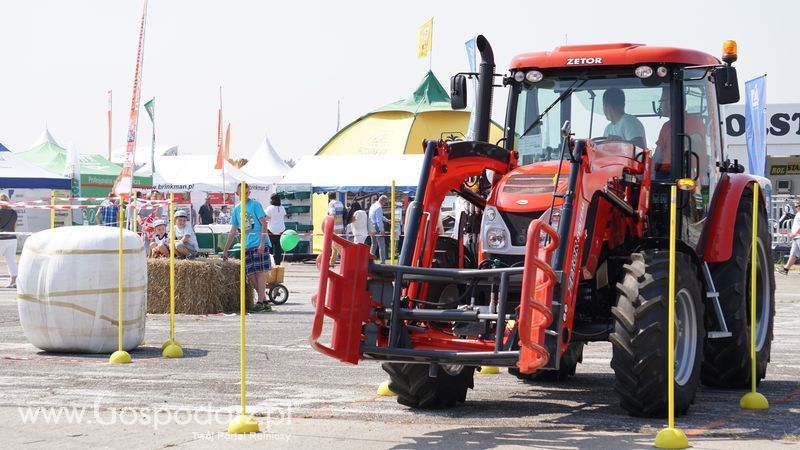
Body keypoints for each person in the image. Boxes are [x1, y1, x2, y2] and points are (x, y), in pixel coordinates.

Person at [223, 183, 272, 311]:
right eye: (242, 192)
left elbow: (264, 223)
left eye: (247, 192)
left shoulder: (255, 205)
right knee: (250, 274)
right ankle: (265, 301)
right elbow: (233, 230)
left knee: (260, 272)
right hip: (247, 245)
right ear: (237, 193)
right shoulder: (237, 209)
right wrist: (225, 249)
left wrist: (262, 243)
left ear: (249, 193)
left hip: (259, 243)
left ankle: (260, 302)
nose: (245, 194)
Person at [653, 87, 707, 179]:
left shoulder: (694, 121)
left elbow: (695, 145)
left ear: (670, 102)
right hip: (665, 173)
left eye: (661, 101)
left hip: (687, 175)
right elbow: (657, 155)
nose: (661, 105)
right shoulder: (666, 126)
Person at [0, 194, 18, 288]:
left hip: (1, 239)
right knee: (11, 261)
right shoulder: (14, 213)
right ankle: (13, 282)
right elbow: (14, 227)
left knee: (11, 261)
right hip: (12, 239)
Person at [778, 200, 800, 275]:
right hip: (796, 237)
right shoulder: (798, 214)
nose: (797, 207)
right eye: (796, 206)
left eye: (798, 206)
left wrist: (795, 234)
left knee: (794, 254)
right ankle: (785, 269)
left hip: (798, 236)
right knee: (793, 254)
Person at [265, 193, 288, 265]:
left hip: (271, 230)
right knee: (278, 249)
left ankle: (270, 263)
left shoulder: (269, 208)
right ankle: (278, 264)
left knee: (270, 248)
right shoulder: (282, 208)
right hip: (281, 230)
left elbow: (266, 218)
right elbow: (284, 216)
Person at [369, 195, 390, 263]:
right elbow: (379, 220)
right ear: (382, 200)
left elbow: (380, 216)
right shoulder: (378, 208)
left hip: (371, 226)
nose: (384, 204)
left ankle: (369, 259)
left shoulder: (373, 206)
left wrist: (387, 220)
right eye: (385, 202)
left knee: (374, 244)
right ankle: (382, 261)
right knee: (382, 245)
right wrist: (382, 230)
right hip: (376, 227)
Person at [327, 192, 345, 266]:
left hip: (334, 226)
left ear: (329, 197)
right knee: (334, 245)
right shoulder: (340, 203)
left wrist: (329, 225)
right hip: (340, 225)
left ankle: (345, 257)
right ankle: (332, 262)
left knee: (335, 244)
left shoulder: (331, 204)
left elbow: (332, 215)